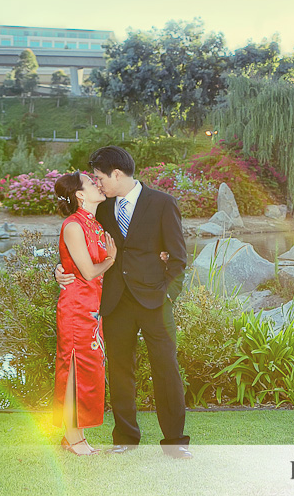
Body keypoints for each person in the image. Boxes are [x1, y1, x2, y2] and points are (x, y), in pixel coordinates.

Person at [56, 146, 191, 459]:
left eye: (101, 177)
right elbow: (77, 243)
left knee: (166, 369)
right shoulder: (101, 208)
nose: (98, 183)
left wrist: (167, 295)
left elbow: (179, 258)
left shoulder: (162, 203)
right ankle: (125, 439)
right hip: (115, 302)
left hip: (156, 302)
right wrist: (59, 269)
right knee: (119, 371)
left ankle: (175, 443)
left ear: (117, 174)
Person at [53, 171, 117, 456]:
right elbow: (89, 271)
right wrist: (112, 260)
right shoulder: (73, 226)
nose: (97, 184)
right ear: (79, 194)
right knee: (74, 368)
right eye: (91, 183)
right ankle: (72, 436)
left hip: (94, 308)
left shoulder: (95, 223)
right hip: (77, 307)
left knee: (90, 369)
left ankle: (76, 435)